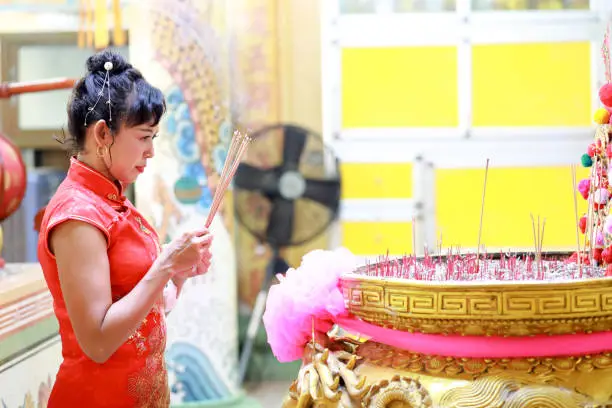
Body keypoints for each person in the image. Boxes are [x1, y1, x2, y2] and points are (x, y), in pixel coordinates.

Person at [37, 49, 212, 407]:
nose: (150, 152)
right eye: (144, 137)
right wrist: (165, 264)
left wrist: (179, 273)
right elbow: (99, 342)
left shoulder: (113, 201)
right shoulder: (78, 215)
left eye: (154, 138)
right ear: (103, 134)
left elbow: (152, 307)